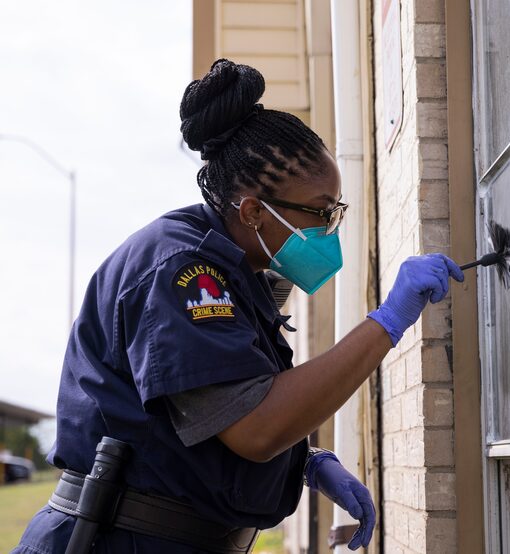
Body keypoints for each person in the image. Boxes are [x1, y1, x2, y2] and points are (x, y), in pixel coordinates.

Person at [13, 59, 463, 553]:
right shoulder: (184, 271)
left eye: (336, 211)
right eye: (320, 212)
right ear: (252, 211)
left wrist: (305, 462)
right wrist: (389, 321)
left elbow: (214, 415)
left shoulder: (231, 271)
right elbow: (255, 427)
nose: (330, 227)